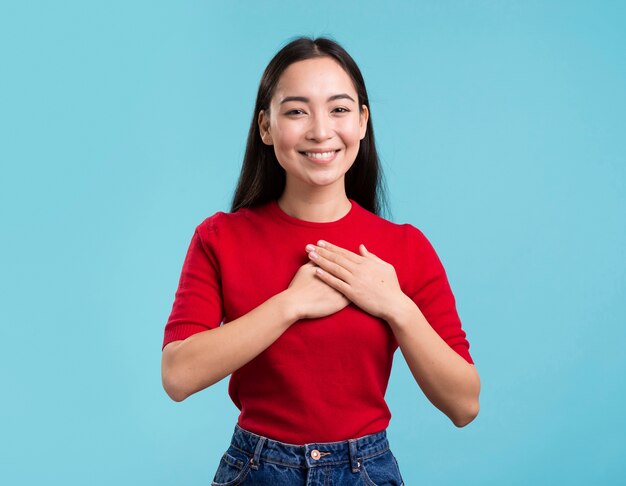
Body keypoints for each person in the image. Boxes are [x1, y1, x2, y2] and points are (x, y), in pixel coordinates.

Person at [161, 36, 480, 485]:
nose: (320, 130)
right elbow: (178, 375)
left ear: (363, 121)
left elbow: (464, 404)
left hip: (364, 469)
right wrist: (290, 304)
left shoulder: (406, 248)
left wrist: (395, 305)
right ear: (266, 127)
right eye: (296, 111)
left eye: (339, 109)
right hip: (256, 469)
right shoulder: (219, 238)